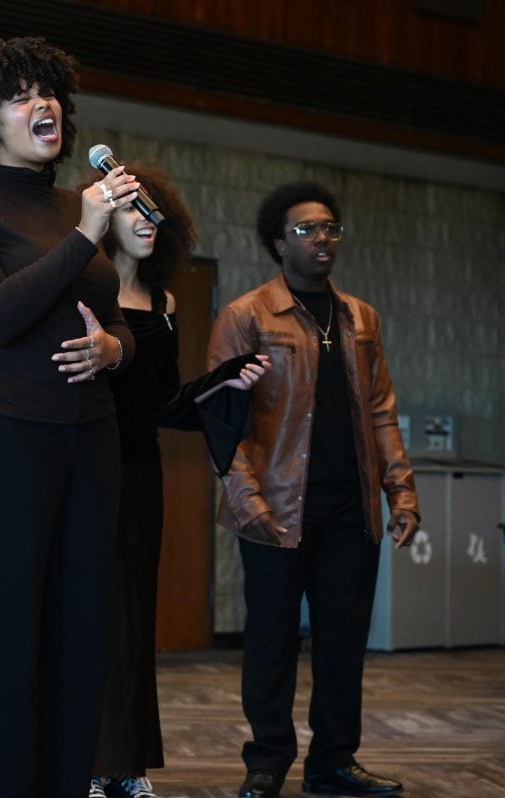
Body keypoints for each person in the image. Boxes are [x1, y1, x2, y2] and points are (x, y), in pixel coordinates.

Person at [0, 37, 139, 798]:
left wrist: (115, 349)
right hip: (1, 432)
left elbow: (116, 319)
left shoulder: (67, 201)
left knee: (80, 629)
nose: (41, 103)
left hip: (90, 434)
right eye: (19, 95)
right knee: (1, 628)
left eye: (48, 91)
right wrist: (86, 233)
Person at [207, 181, 419, 798]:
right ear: (279, 243)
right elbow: (223, 424)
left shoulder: (361, 318)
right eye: (306, 229)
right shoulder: (246, 316)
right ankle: (267, 762)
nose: (322, 238)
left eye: (330, 228)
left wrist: (400, 493)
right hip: (275, 508)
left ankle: (333, 764)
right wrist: (248, 501)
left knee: (342, 644)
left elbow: (381, 411)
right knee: (271, 642)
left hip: (350, 508)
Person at [88, 163, 269, 798]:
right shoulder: (86, 294)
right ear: (103, 218)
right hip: (86, 472)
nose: (144, 222)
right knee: (91, 615)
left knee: (135, 618)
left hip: (141, 474)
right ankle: (87, 761)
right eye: (131, 210)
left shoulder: (164, 303)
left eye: (152, 213)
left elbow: (165, 403)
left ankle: (128, 764)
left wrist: (228, 381)